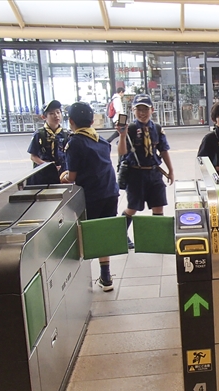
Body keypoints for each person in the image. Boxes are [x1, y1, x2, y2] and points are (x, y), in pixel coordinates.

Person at [59, 102, 119, 292]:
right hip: (110, 193)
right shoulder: (100, 140)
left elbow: (73, 176)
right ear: (93, 121)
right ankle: (106, 276)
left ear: (71, 122)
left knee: (83, 234)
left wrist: (64, 176)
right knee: (102, 232)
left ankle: (79, 279)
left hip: (91, 196)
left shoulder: (75, 142)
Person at [117, 94, 174, 249]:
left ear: (152, 110)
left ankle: (157, 238)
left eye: (145, 109)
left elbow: (163, 150)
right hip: (136, 174)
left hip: (154, 173)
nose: (142, 113)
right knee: (133, 207)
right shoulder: (131, 129)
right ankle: (121, 234)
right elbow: (122, 152)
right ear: (133, 110)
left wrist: (170, 170)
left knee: (158, 205)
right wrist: (122, 136)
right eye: (139, 109)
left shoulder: (157, 128)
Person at [27, 100, 69, 185]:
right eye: (51, 113)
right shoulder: (39, 134)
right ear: (44, 117)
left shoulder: (65, 134)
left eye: (58, 112)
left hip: (61, 173)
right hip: (43, 173)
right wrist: (48, 166)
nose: (56, 115)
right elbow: (33, 156)